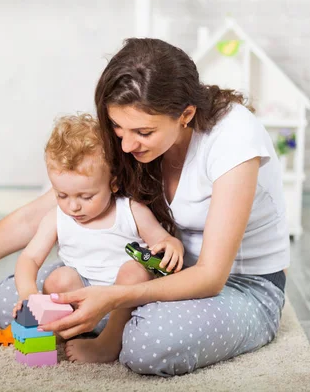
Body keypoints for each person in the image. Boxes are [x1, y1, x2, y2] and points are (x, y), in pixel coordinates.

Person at [0, 38, 289, 377]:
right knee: (7, 301)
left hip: (238, 287)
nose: (126, 147)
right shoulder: (127, 133)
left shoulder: (233, 138)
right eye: (116, 127)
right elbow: (38, 215)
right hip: (141, 272)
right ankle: (114, 318)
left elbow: (210, 277)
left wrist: (113, 297)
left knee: (150, 344)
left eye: (144, 133)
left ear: (186, 115)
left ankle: (116, 323)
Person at [11, 113, 184, 362]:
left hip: (124, 306)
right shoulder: (57, 217)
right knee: (60, 278)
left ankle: (109, 342)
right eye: (62, 195)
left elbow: (164, 241)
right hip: (82, 304)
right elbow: (28, 258)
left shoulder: (131, 211)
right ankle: (64, 329)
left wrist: (171, 245)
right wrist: (28, 293)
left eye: (86, 196)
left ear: (112, 184)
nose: (73, 207)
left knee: (133, 271)